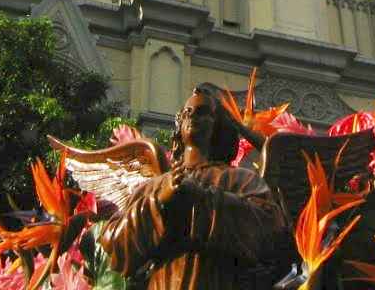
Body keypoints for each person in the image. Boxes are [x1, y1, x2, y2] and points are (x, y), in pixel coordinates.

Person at [96, 86, 288, 289]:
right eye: (187, 113)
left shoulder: (240, 179)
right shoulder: (155, 186)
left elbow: (269, 229)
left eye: (203, 112)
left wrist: (203, 197)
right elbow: (114, 244)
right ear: (179, 124)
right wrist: (159, 201)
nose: (193, 117)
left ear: (218, 124)